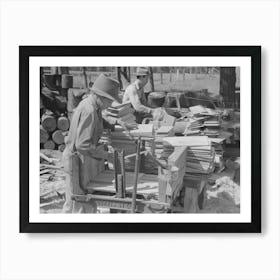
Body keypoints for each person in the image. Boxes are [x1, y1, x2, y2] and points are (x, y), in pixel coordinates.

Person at [62, 74, 121, 213]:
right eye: (109, 101)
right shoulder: (89, 111)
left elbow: (100, 121)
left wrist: (116, 123)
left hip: (79, 158)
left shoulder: (92, 105)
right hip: (75, 160)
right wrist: (106, 155)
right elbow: (83, 145)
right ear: (101, 96)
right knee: (78, 205)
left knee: (75, 204)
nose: (110, 104)